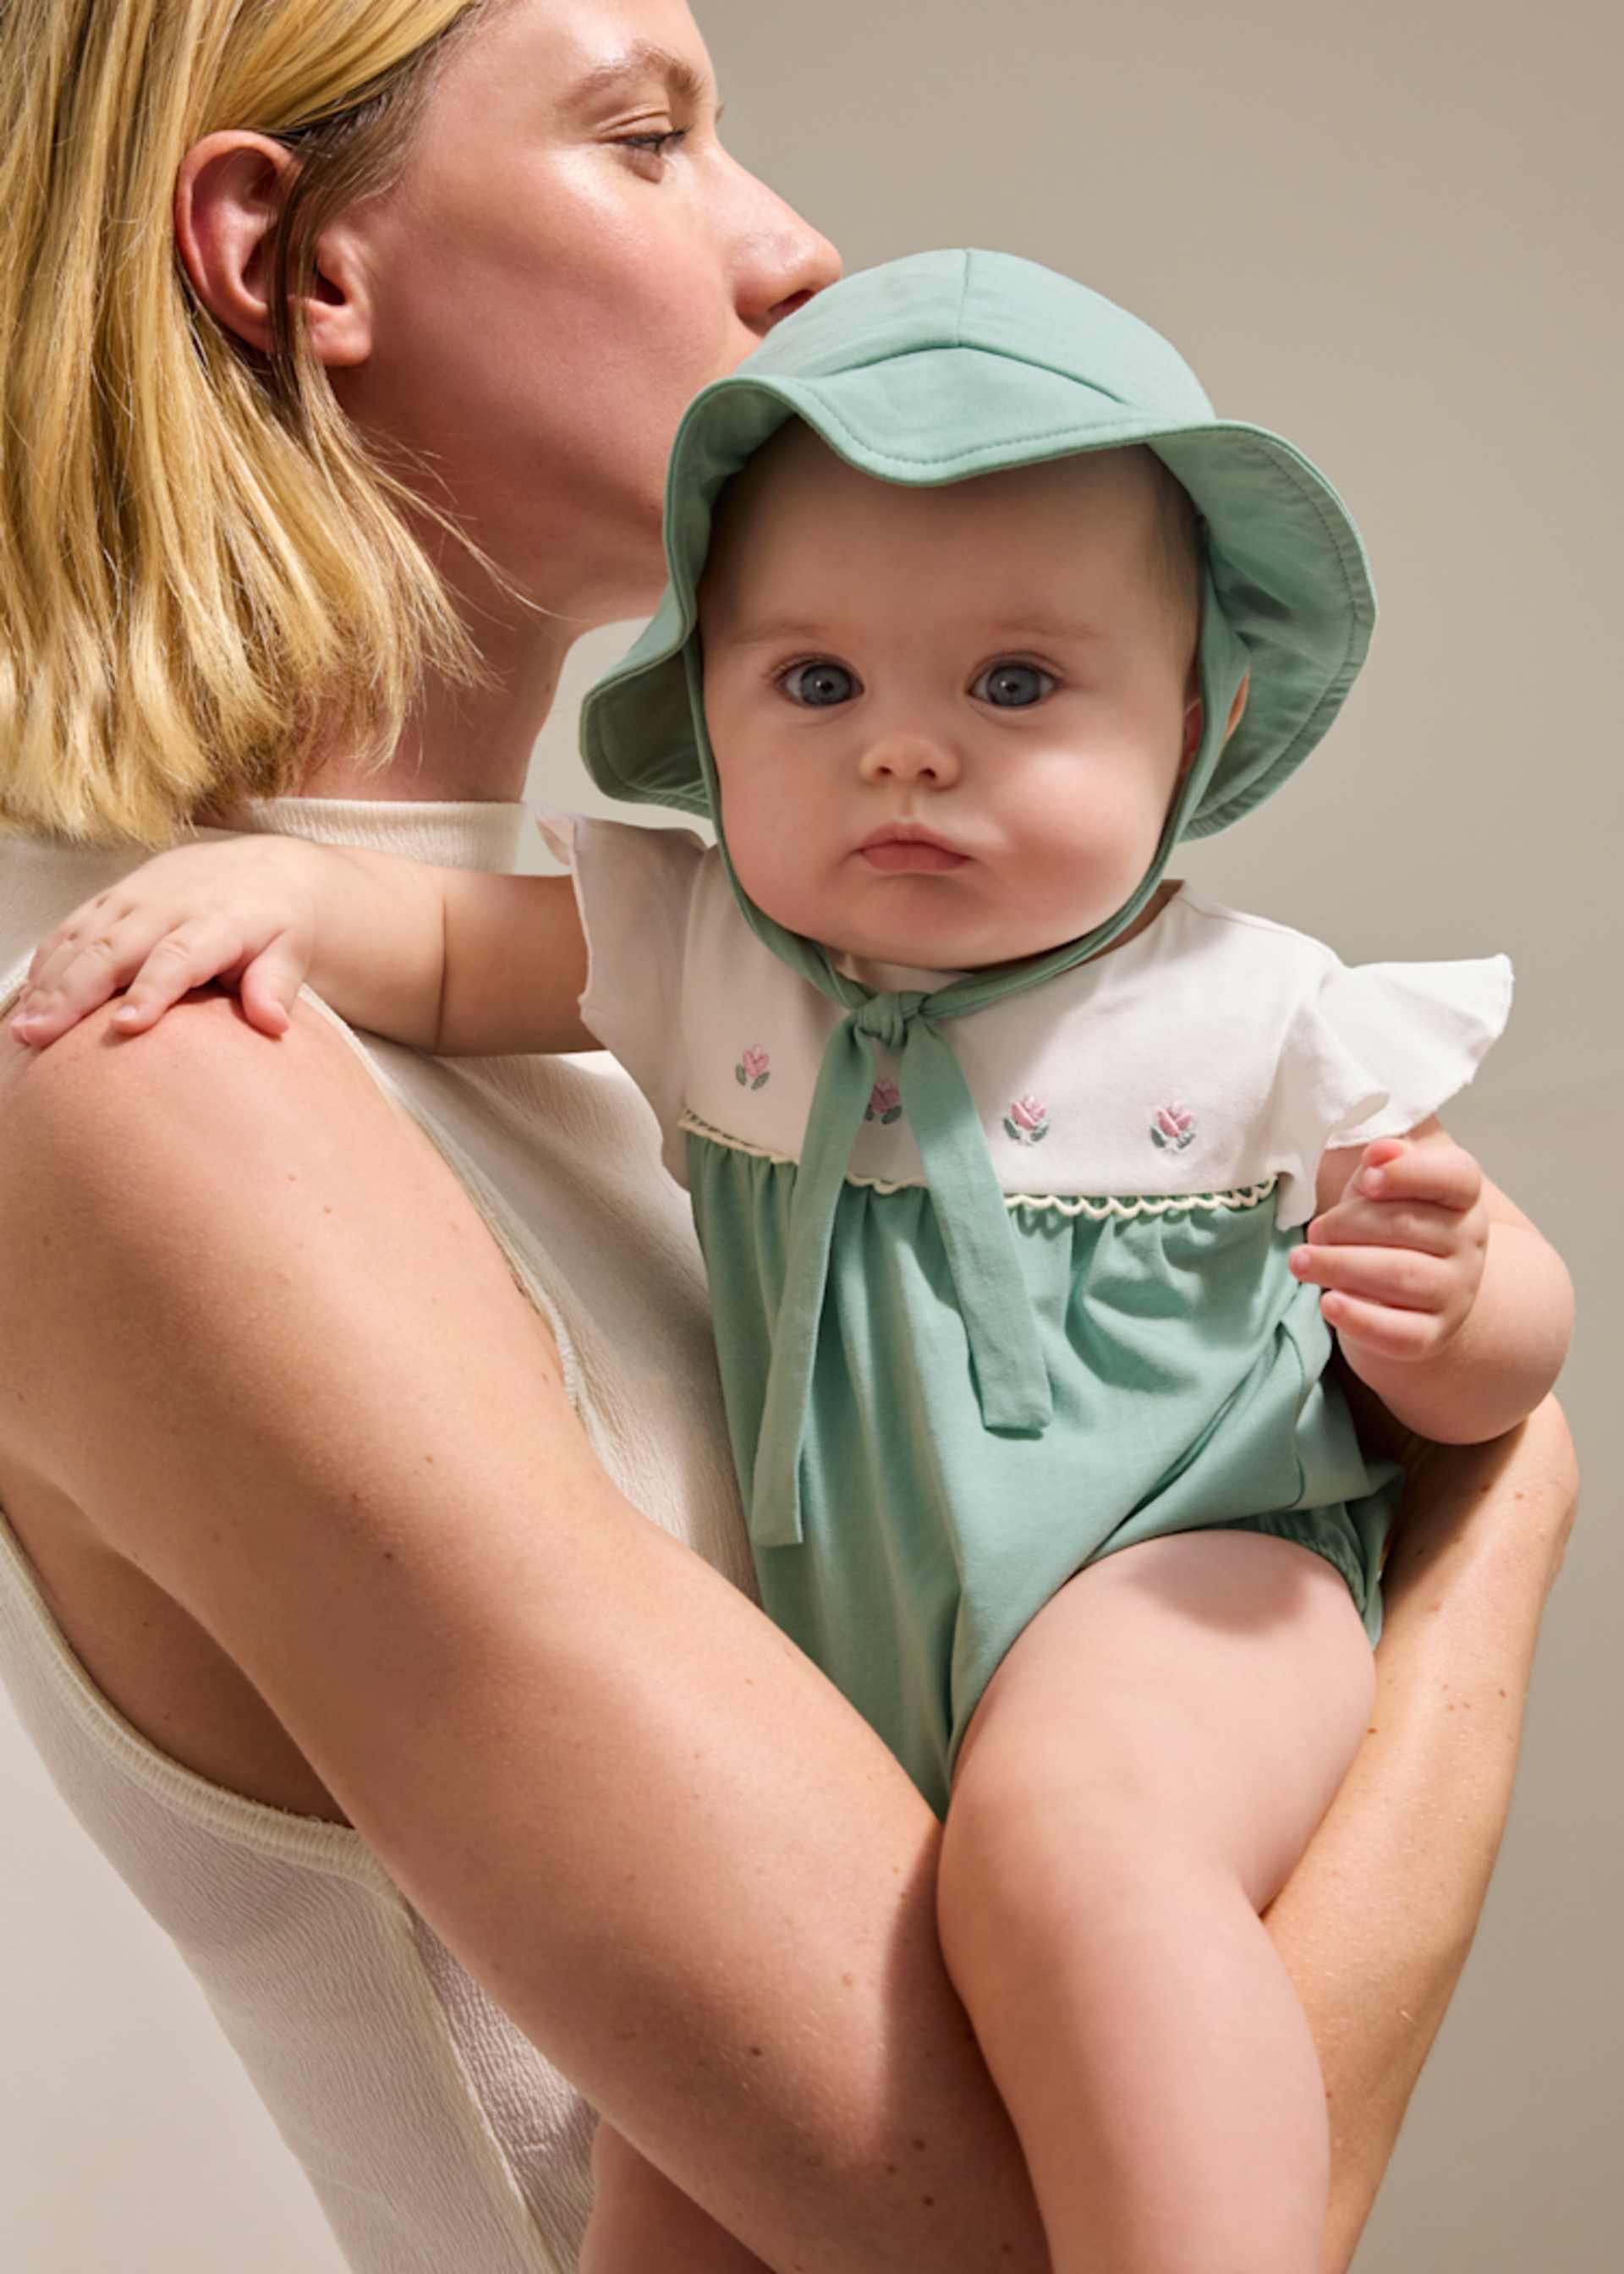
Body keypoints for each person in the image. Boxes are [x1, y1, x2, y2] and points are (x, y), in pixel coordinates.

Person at [0, 7, 1579, 2274]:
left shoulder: (708, 1002)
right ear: (296, 262)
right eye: (644, 138)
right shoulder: (183, 1072)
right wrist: (1499, 1525)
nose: (802, 247)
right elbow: (1019, 2232)